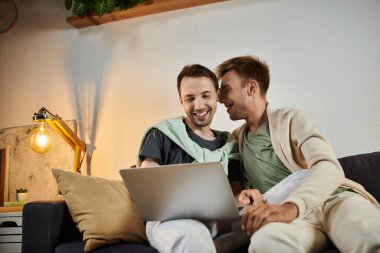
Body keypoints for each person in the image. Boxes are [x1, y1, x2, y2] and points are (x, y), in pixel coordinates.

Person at [216, 55, 380, 253]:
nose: (219, 98)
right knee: (265, 242)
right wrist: (245, 196)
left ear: (251, 88)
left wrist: (290, 207)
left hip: (332, 201)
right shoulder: (236, 141)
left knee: (366, 235)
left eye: (225, 89)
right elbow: (237, 197)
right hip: (296, 222)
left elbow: (328, 166)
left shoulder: (291, 119)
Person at [136, 64, 248, 253]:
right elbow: (148, 189)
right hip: (171, 223)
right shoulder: (162, 134)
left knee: (264, 218)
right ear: (181, 101)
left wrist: (243, 198)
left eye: (206, 95)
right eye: (190, 98)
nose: (198, 105)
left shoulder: (229, 144)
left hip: (218, 221)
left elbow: (235, 193)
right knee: (192, 236)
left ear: (217, 96)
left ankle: (214, 247)